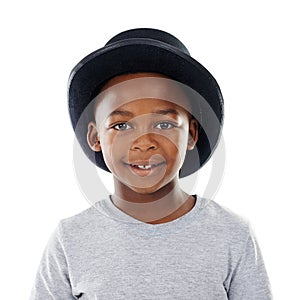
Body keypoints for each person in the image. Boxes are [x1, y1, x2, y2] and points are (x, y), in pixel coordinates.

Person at [30, 28, 273, 299]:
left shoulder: (233, 235)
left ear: (191, 134)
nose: (144, 142)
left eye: (164, 124)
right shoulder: (70, 239)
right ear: (95, 137)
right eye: (121, 125)